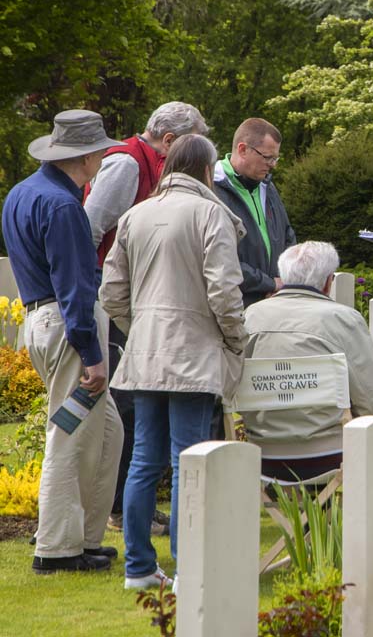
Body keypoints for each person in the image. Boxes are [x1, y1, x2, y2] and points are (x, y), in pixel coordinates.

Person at [100, 134, 247, 590]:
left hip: (145, 351)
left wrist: (142, 325)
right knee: (188, 461)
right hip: (195, 352)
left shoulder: (134, 215)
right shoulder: (211, 213)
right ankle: (188, 568)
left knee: (145, 459)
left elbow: (111, 294)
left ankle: (139, 569)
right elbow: (224, 290)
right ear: (206, 170)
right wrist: (235, 338)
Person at [1, 109, 125, 574]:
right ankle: (55, 550)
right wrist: (92, 354)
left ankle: (85, 538)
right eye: (102, 152)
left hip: (43, 319)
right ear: (88, 155)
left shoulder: (22, 192)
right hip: (66, 323)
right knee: (69, 436)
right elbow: (74, 284)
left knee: (108, 432)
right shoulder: (64, 206)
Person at [84, 100, 209, 537]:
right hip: (112, 299)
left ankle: (130, 510)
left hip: (137, 301)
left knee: (139, 419)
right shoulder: (127, 164)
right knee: (128, 413)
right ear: (171, 141)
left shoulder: (152, 165)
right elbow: (91, 230)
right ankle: (119, 509)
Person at [242, 241, 373, 479]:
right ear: (328, 281)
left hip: (261, 455)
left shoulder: (251, 316)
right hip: (328, 455)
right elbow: (372, 401)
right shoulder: (343, 319)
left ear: (283, 276)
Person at [213, 118, 296, 306]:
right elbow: (220, 259)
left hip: (273, 301)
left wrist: (284, 284)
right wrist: (268, 284)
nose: (273, 164)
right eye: (267, 157)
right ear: (243, 150)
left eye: (275, 158)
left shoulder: (267, 186)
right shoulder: (212, 189)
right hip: (232, 307)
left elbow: (287, 236)